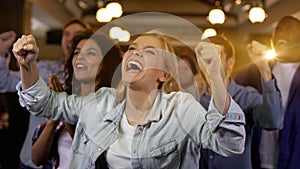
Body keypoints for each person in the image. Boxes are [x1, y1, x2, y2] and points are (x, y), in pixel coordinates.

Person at [13, 32, 246, 168]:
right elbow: (45, 104)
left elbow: (229, 143)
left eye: (149, 51)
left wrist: (215, 74)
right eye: (133, 48)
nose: (135, 52)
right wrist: (27, 65)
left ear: (164, 74)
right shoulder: (100, 102)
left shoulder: (180, 107)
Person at [0, 19, 92, 168]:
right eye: (66, 34)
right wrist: (2, 50)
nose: (70, 38)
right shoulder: (43, 68)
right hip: (33, 160)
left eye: (77, 34)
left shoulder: (96, 84)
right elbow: (4, 82)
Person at [31, 31, 123, 168]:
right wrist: (54, 119)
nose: (80, 57)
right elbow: (37, 159)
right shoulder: (65, 99)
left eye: (90, 53)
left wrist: (64, 114)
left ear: (105, 63)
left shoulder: (111, 104)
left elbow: (91, 154)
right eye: (77, 53)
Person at [198, 35, 283, 169]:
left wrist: (264, 69)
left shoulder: (246, 97)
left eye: (216, 56)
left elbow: (273, 121)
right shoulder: (195, 100)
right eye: (204, 57)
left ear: (230, 63)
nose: (209, 62)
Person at [246, 16, 300, 169]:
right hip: (259, 159)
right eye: (278, 30)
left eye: (288, 29)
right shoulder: (257, 71)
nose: (281, 33)